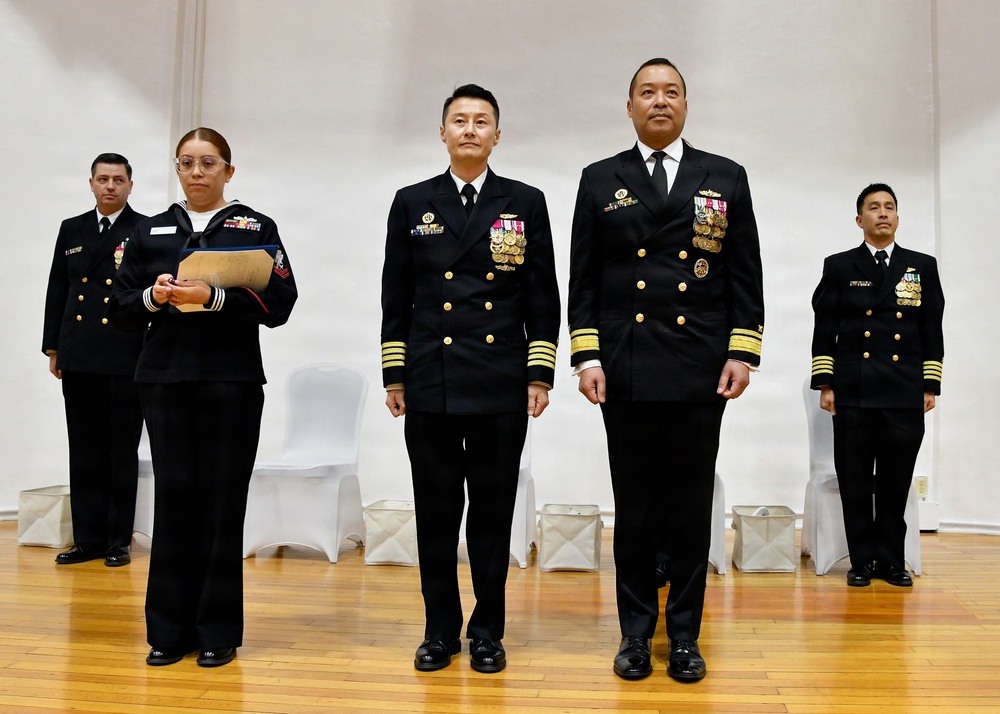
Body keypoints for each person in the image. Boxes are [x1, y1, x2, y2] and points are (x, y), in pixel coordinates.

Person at [568, 58, 764, 682]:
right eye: (647, 92)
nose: (660, 101)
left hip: (700, 368)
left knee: (689, 508)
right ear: (629, 107)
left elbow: (744, 273)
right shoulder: (601, 178)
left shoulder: (724, 176)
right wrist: (587, 355)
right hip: (625, 366)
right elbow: (584, 278)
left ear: (686, 105)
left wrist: (742, 351)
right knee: (633, 508)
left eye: (671, 92)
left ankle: (684, 636)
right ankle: (634, 634)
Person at [380, 84, 560, 674]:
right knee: (435, 516)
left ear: (496, 136)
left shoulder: (524, 202)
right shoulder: (413, 202)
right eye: (459, 120)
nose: (470, 130)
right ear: (443, 133)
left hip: (499, 381)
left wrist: (539, 374)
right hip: (430, 380)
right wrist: (395, 374)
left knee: (491, 515)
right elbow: (396, 295)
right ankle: (439, 631)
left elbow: (542, 295)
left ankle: (487, 631)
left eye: (482, 122)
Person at [108, 128, 297, 667]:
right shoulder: (148, 230)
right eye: (187, 162)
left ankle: (217, 630)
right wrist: (154, 296)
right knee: (174, 503)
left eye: (208, 162)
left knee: (221, 503)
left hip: (230, 382)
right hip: (165, 380)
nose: (197, 172)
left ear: (228, 171)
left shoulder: (255, 228)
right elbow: (119, 308)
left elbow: (282, 301)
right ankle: (169, 630)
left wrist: (216, 297)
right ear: (177, 169)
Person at [810, 183, 944, 588]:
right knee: (854, 482)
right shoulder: (840, 266)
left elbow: (931, 328)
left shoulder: (921, 266)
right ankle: (861, 562)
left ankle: (891, 561)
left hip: (904, 390)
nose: (882, 213)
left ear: (897, 217)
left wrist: (930, 385)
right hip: (854, 390)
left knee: (895, 481)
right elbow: (825, 328)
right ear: (859, 219)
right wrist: (825, 384)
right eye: (873, 207)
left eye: (889, 207)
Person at [42, 153, 146, 567]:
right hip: (79, 351)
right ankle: (87, 538)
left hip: (124, 352)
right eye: (103, 179)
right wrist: (54, 346)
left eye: (118, 180)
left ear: (130, 186)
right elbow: (58, 288)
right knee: (84, 449)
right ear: (91, 184)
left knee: (121, 451)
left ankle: (118, 540)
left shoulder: (143, 228)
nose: (110, 186)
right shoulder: (73, 228)